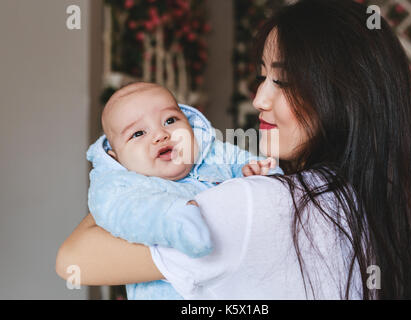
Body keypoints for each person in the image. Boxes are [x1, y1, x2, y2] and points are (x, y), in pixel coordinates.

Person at [56, 0, 411, 299]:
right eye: (261, 76)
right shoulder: (362, 207)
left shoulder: (261, 204)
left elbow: (73, 259)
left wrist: (116, 171)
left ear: (342, 97)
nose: (258, 99)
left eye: (281, 81)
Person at [85, 82, 280, 299]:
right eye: (138, 133)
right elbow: (128, 211)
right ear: (117, 158)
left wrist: (254, 173)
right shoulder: (124, 187)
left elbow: (272, 185)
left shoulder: (213, 153)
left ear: (190, 124)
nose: (160, 134)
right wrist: (175, 218)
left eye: (170, 120)